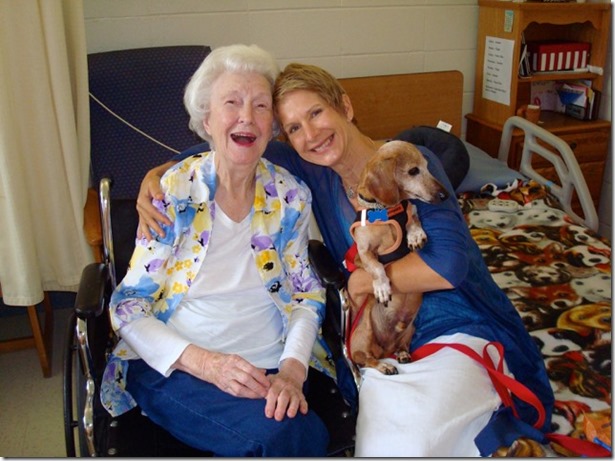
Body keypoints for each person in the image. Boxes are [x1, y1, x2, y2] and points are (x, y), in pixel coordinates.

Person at [137, 61, 554, 457]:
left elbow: (447, 267)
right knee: (381, 443)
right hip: (378, 338)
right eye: (294, 128)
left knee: (415, 438)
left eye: (316, 113)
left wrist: (361, 281)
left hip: (452, 326)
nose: (310, 134)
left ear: (345, 107)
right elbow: (231, 142)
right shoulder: (314, 169)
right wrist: (160, 171)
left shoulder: (408, 161)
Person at [100, 44, 334, 457]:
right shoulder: (172, 192)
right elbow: (128, 307)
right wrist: (207, 364)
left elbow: (307, 295)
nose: (247, 116)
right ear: (206, 120)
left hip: (271, 365)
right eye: (232, 103)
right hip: (179, 367)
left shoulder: (290, 196)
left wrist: (293, 370)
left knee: (296, 433)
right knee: (290, 438)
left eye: (261, 105)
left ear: (272, 126)